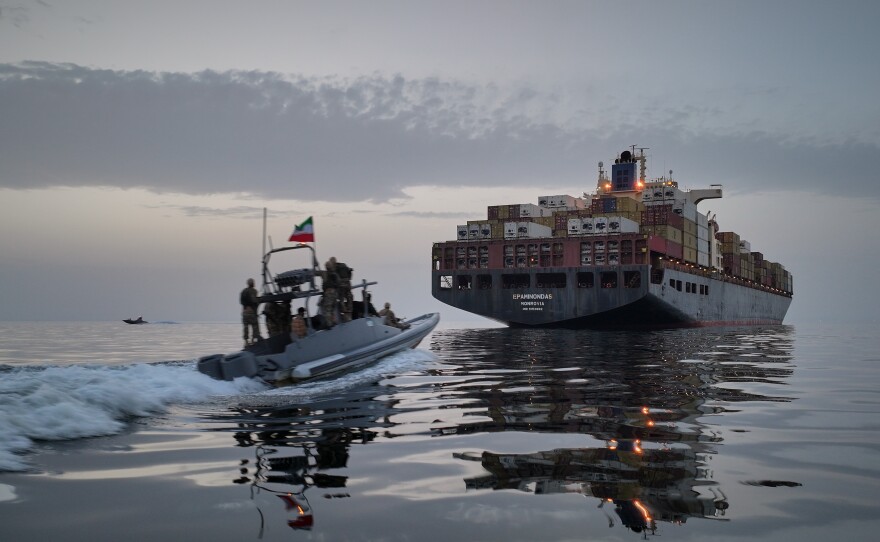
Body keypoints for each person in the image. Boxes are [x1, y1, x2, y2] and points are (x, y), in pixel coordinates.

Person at [330, 257, 354, 322]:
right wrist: (348, 279)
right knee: (349, 297)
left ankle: (345, 314)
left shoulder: (334, 268)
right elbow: (350, 271)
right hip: (348, 283)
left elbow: (333, 278)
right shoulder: (343, 265)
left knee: (341, 300)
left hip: (341, 285)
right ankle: (349, 313)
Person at [240, 278, 262, 347]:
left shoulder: (243, 291)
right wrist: (259, 300)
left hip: (244, 312)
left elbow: (241, 301)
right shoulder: (254, 291)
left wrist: (245, 306)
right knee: (255, 326)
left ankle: (246, 341)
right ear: (252, 283)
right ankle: (253, 340)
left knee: (245, 327)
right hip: (252, 312)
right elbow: (254, 301)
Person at [319, 260, 340, 327]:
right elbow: (338, 282)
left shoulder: (324, 273)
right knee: (332, 308)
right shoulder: (335, 274)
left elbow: (316, 273)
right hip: (335, 293)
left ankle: (329, 324)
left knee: (327, 308)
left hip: (329, 293)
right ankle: (333, 321)